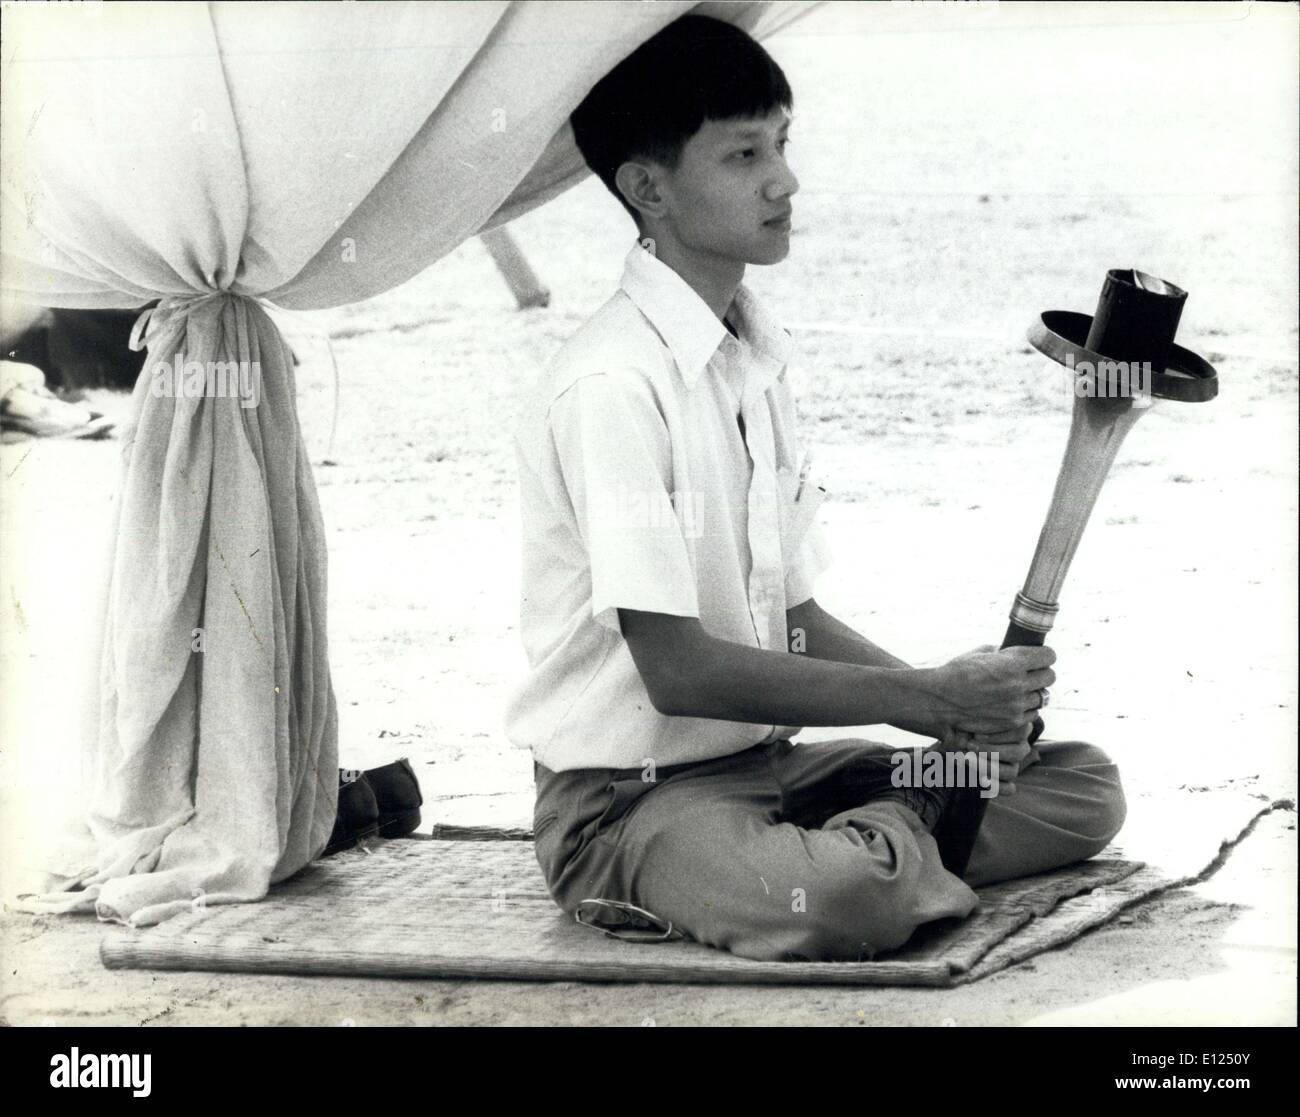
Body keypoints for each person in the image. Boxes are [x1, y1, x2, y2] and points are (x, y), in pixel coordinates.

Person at [506, 14, 1125, 963]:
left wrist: (956, 707)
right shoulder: (613, 386)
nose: (783, 179)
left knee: (1080, 784)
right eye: (744, 153)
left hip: (773, 768)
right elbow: (677, 669)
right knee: (840, 899)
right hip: (630, 805)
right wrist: (924, 701)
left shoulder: (753, 355)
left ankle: (889, 838)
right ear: (648, 188)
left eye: (783, 143)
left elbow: (790, 615)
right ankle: (887, 848)